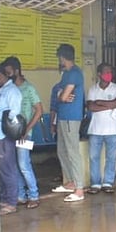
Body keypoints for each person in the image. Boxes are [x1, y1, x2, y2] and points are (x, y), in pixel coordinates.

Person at [4, 56, 43, 209]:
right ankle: (20, 194)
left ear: (17, 71)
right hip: (10, 133)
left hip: (25, 134)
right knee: (14, 165)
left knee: (24, 164)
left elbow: (39, 111)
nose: (7, 76)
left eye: (9, 72)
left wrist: (27, 129)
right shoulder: (8, 89)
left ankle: (34, 195)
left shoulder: (29, 88)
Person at [49, 43, 86, 202]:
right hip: (63, 117)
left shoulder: (74, 74)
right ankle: (70, 182)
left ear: (63, 58)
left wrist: (60, 96)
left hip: (71, 117)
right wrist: (61, 95)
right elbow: (61, 95)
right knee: (62, 150)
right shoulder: (66, 74)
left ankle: (79, 189)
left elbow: (63, 97)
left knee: (72, 152)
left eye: (59, 58)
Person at [86, 62, 116, 193]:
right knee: (93, 157)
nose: (109, 74)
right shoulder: (92, 89)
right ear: (99, 74)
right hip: (95, 130)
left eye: (110, 72)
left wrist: (100, 102)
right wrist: (110, 104)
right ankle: (95, 183)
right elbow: (91, 107)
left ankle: (108, 182)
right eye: (106, 72)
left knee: (111, 158)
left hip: (113, 130)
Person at [0, 66, 23, 214]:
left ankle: (11, 202)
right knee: (1, 170)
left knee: (8, 169)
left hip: (4, 134)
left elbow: (14, 112)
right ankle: (4, 199)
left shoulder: (12, 91)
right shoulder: (0, 91)